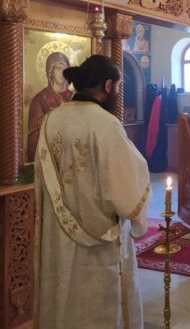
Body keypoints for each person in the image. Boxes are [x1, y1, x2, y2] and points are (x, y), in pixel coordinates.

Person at [33, 55, 151, 329]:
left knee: (65, 298)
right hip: (100, 247)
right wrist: (139, 221)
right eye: (118, 87)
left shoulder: (51, 120)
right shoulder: (106, 124)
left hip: (58, 239)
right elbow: (127, 186)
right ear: (108, 85)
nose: (117, 93)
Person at [27, 51, 74, 162]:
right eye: (58, 68)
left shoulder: (75, 98)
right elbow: (33, 139)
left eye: (65, 69)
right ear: (50, 72)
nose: (62, 72)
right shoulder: (39, 100)